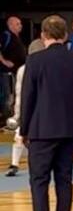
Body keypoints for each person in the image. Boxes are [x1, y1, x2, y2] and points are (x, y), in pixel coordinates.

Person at [19, 15, 73, 211]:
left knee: (39, 181)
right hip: (71, 130)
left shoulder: (35, 60)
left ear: (43, 36)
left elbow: (28, 98)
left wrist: (24, 128)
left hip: (42, 130)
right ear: (66, 36)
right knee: (64, 180)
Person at [7, 41, 48, 177]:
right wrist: (17, 115)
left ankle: (39, 163)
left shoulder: (45, 67)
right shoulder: (24, 70)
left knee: (39, 139)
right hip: (33, 108)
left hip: (42, 109)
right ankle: (14, 164)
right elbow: (20, 93)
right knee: (20, 135)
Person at [1, 16, 27, 119]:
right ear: (10, 25)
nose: (20, 26)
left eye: (20, 23)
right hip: (7, 73)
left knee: (14, 96)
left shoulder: (17, 38)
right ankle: (5, 120)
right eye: (17, 24)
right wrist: (4, 61)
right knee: (8, 97)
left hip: (16, 72)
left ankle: (11, 118)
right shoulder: (5, 35)